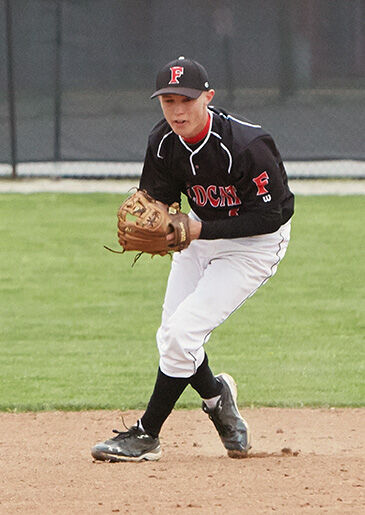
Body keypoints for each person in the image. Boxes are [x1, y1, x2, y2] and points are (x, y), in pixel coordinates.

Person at [91, 56, 294, 462]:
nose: (177, 110)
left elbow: (274, 214)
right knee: (172, 338)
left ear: (208, 97)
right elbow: (162, 202)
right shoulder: (163, 142)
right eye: (168, 100)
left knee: (182, 335)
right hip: (198, 235)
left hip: (254, 245)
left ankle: (147, 435)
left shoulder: (246, 146)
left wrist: (198, 230)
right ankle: (218, 398)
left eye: (186, 99)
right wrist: (162, 222)